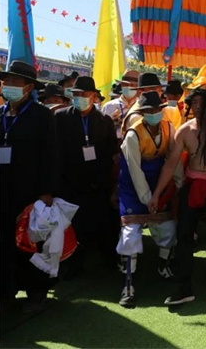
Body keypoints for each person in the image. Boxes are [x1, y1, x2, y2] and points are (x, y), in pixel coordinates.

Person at [148, 88, 206, 305]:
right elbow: (171, 164)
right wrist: (156, 194)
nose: (197, 108)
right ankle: (184, 284)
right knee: (184, 234)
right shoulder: (185, 130)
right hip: (193, 185)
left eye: (201, 103)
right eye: (194, 103)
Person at [0, 61, 58, 313]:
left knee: (31, 242)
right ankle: (5, 293)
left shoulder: (42, 116)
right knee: (3, 242)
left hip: (31, 191)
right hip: (2, 189)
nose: (9, 86)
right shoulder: (0, 114)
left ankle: (36, 293)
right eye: (7, 81)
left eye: (15, 82)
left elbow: (51, 156)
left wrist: (46, 192)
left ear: (29, 87)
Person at [115, 92, 179, 308]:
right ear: (141, 113)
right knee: (131, 233)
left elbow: (173, 159)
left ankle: (163, 265)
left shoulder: (169, 128)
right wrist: (147, 198)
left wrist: (175, 184)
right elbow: (134, 169)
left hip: (159, 183)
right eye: (148, 111)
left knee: (167, 227)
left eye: (156, 109)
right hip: (133, 186)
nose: (153, 113)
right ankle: (129, 284)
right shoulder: (133, 135)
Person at [55, 76, 119, 276]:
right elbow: (54, 152)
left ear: (93, 96)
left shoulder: (104, 120)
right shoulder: (60, 118)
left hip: (97, 182)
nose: (79, 98)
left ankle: (108, 259)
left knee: (101, 222)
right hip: (69, 183)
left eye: (84, 94)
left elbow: (111, 153)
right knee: (72, 226)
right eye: (76, 94)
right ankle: (73, 264)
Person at [102, 69, 140, 139]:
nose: (129, 87)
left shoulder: (142, 107)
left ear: (138, 87)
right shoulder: (108, 106)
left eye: (132, 85)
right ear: (121, 85)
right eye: (125, 84)